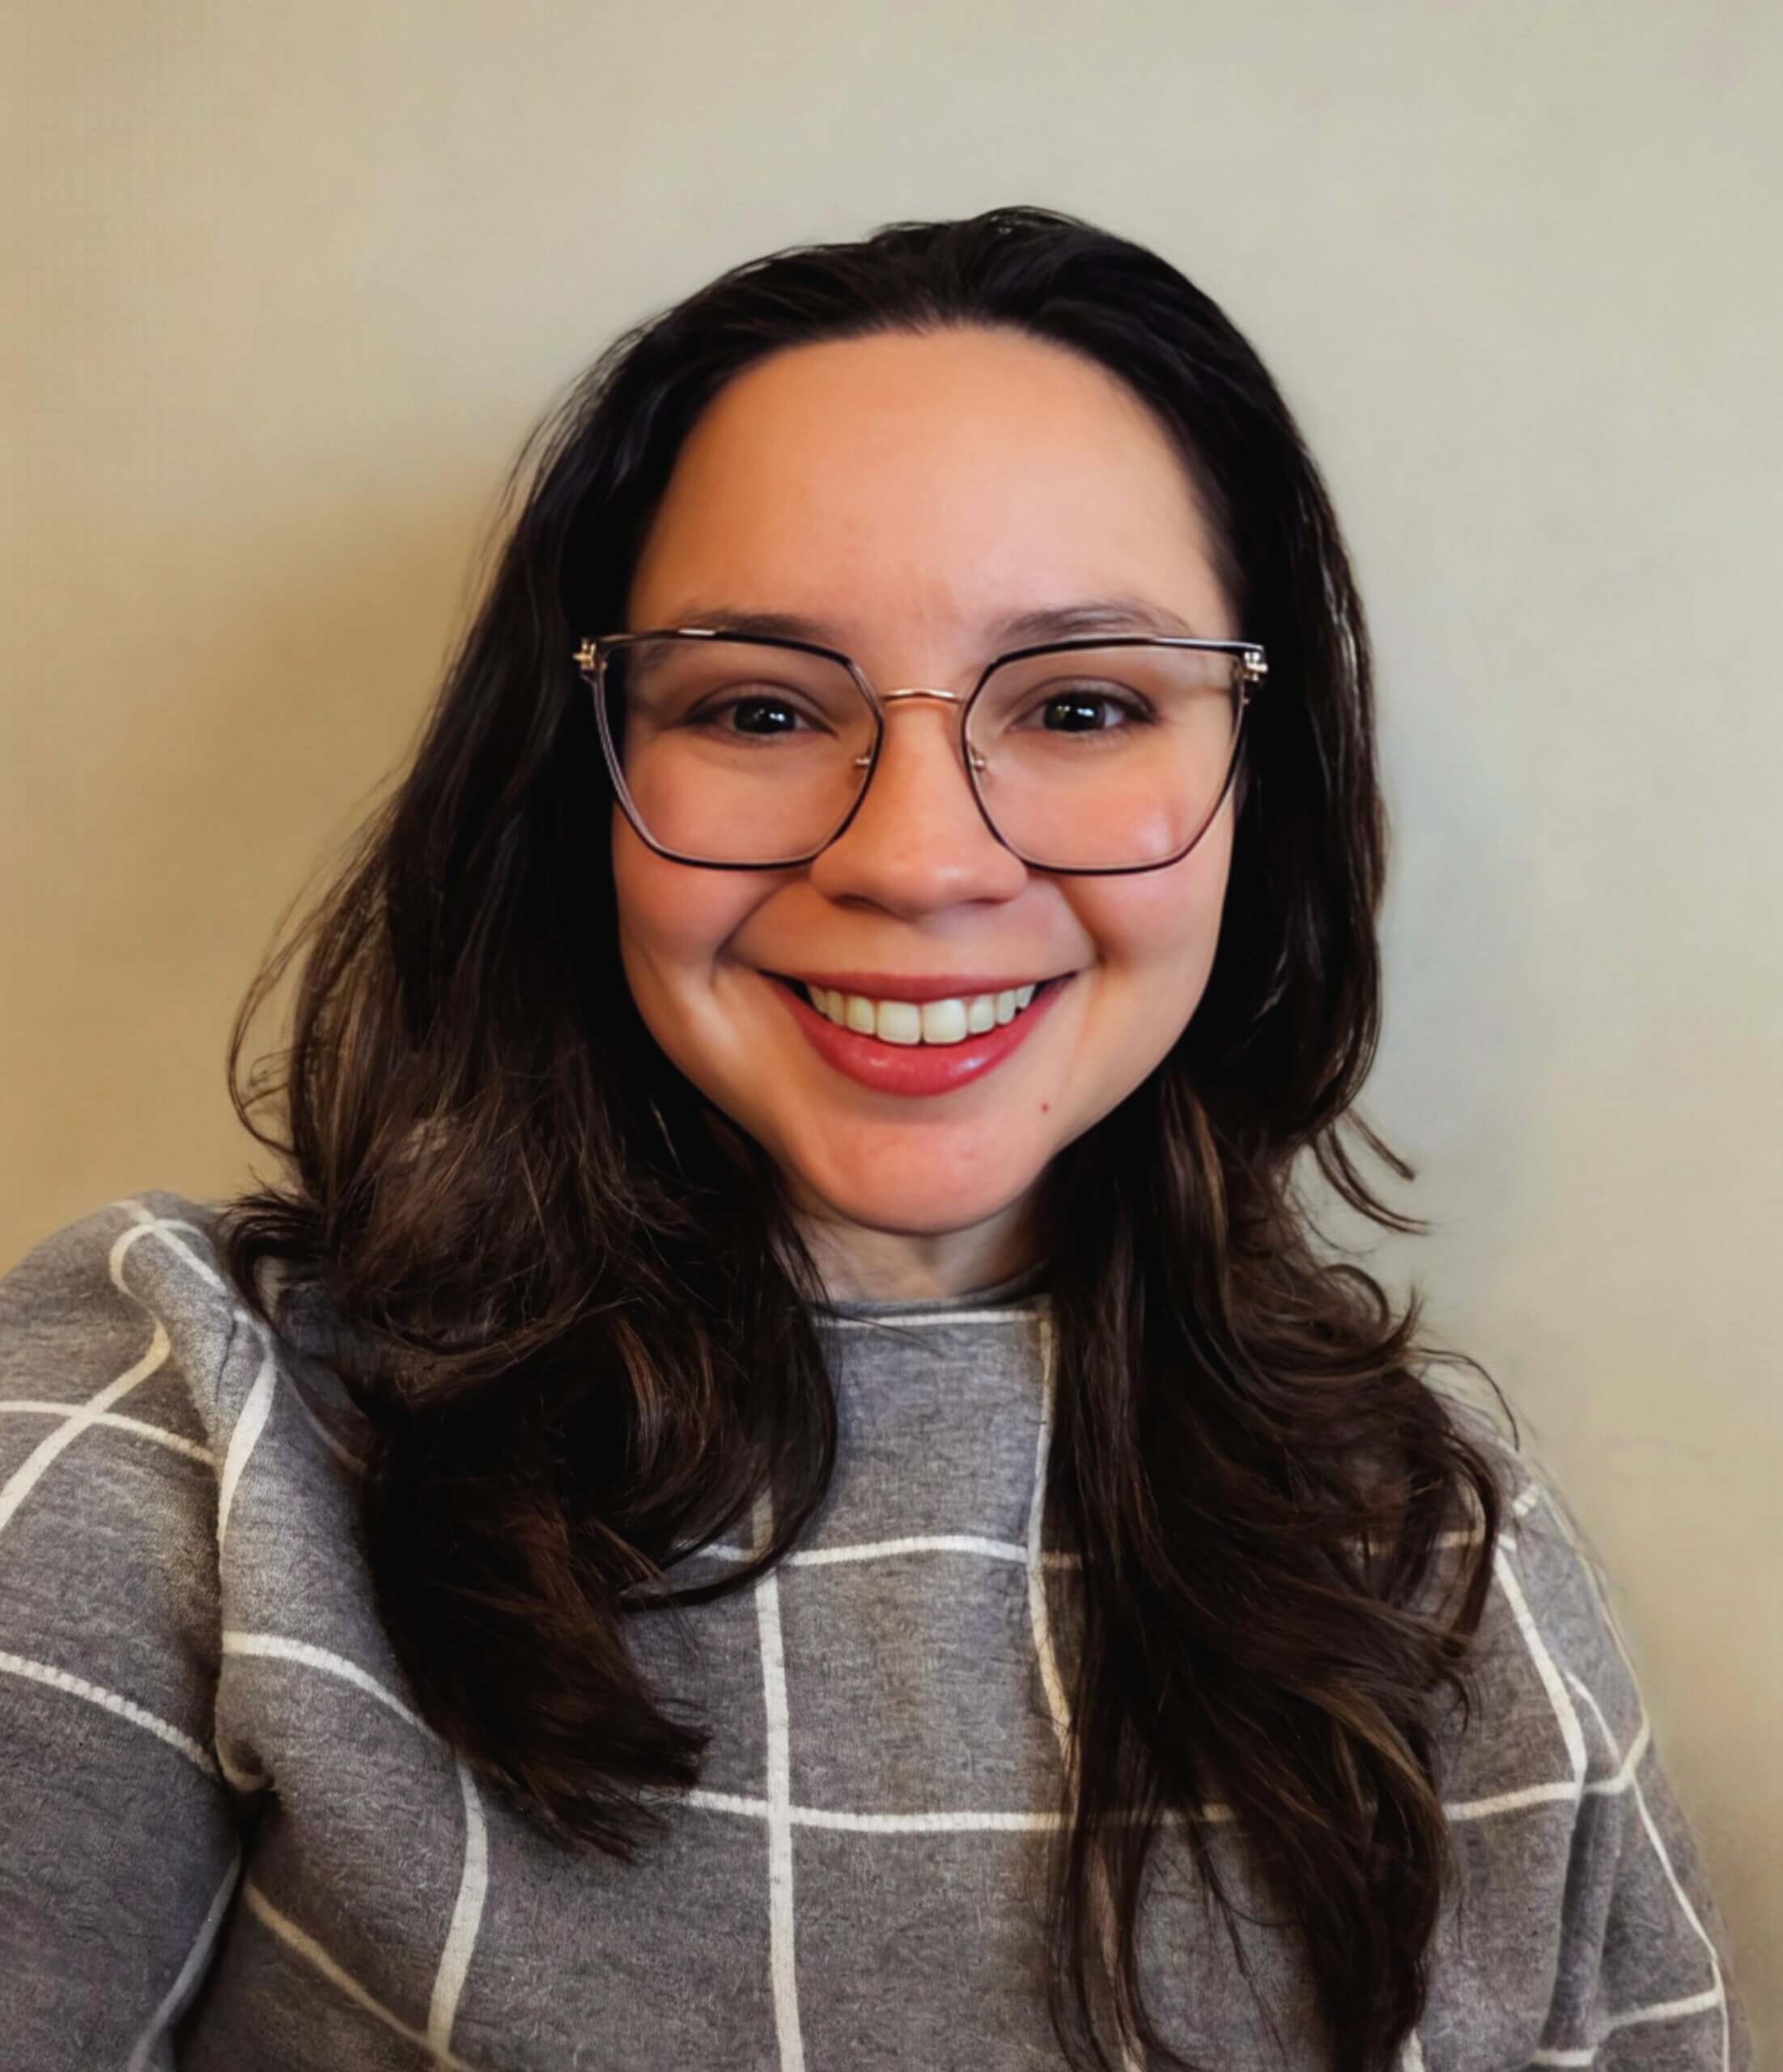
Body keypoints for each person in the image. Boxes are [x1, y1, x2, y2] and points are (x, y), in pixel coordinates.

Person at [0, 206, 1751, 2072]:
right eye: (757, 705)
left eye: (1082, 703)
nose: (917, 859)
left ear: (1265, 789)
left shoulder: (1429, 1549)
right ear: (578, 777)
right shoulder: (186, 1433)